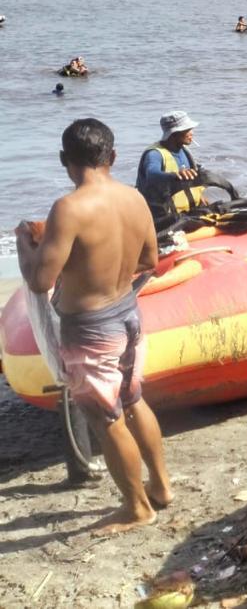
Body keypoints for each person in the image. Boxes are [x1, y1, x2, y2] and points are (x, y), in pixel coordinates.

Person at [16, 118, 171, 533]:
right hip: (128, 313)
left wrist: (25, 245)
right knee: (133, 400)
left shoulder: (69, 208)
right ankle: (160, 487)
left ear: (63, 159)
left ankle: (137, 508)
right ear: (113, 156)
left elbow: (40, 281)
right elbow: (150, 261)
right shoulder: (134, 198)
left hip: (90, 329)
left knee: (106, 419)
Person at [135, 111, 206, 227]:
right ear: (174, 134)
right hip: (164, 218)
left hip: (188, 214)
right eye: (187, 130)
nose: (191, 133)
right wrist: (175, 175)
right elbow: (151, 173)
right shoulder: (154, 154)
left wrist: (200, 196)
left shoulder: (184, 151)